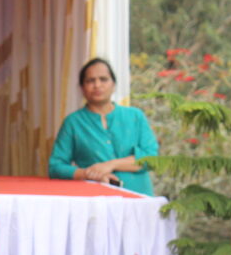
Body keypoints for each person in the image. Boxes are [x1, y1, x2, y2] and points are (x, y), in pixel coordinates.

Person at [48, 57, 159, 195]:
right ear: (82, 88)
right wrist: (87, 173)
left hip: (139, 199)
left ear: (113, 84)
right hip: (95, 200)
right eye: (90, 81)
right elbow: (55, 167)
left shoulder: (135, 116)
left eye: (103, 79)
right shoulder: (73, 123)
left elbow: (151, 159)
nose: (97, 85)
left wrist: (110, 165)